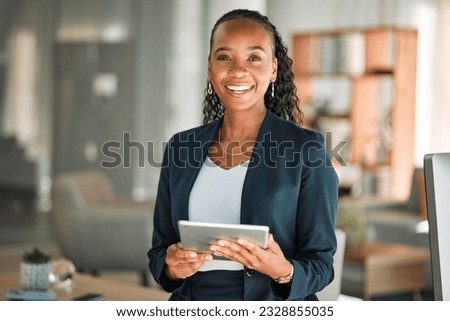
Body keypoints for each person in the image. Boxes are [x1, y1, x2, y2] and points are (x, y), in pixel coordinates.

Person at [147, 9, 339, 301]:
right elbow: (159, 251)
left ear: (273, 69)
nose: (238, 70)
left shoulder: (306, 150)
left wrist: (283, 270)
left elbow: (321, 264)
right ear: (210, 68)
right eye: (224, 57)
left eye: (254, 58)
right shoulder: (180, 147)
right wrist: (172, 267)